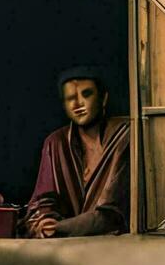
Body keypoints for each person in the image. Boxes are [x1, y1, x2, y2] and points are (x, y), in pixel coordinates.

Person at [23, 67, 131, 238]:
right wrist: (46, 221)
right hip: (64, 244)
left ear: (103, 99)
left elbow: (114, 213)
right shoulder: (56, 142)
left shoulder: (124, 135)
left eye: (86, 94)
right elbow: (42, 201)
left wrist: (61, 227)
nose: (78, 104)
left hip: (113, 243)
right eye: (70, 99)